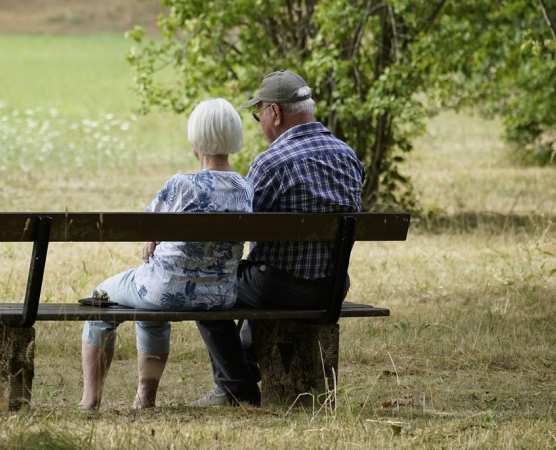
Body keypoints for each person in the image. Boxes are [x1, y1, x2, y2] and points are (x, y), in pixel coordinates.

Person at [188, 70, 366, 407]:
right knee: (259, 273)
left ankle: (237, 388)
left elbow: (239, 231)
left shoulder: (271, 162)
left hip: (279, 289)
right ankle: (243, 372)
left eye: (258, 116)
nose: (260, 123)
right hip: (331, 289)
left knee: (205, 285)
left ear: (275, 113)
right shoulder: (348, 156)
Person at [79, 98, 254, 411]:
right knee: (149, 306)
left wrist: (153, 236)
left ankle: (90, 402)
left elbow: (144, 226)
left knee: (100, 298)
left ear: (195, 140)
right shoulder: (245, 187)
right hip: (219, 296)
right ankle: (144, 400)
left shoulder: (182, 185)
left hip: (164, 290)